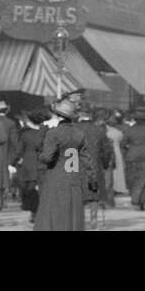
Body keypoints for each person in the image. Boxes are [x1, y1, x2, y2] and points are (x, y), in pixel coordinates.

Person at [35, 97, 87, 231]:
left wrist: (39, 155)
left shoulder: (53, 133)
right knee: (72, 216)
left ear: (58, 116)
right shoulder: (79, 134)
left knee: (53, 216)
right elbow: (85, 159)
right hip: (74, 178)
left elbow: (47, 158)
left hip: (56, 178)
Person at [121, 110, 145, 209]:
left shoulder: (129, 130)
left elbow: (123, 144)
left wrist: (128, 150)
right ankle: (138, 199)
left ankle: (137, 198)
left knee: (133, 179)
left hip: (131, 156)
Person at [15, 109, 45, 220]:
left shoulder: (25, 134)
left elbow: (19, 151)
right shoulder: (46, 133)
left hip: (28, 163)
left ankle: (34, 212)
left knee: (31, 188)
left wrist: (14, 161)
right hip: (43, 163)